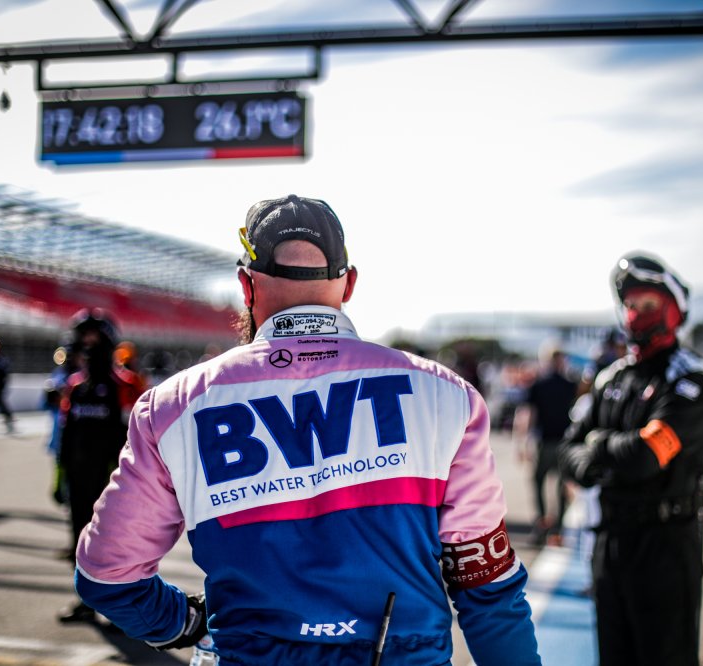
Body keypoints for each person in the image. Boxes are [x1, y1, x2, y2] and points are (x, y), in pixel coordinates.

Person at [73, 194, 541, 664]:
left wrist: (184, 622)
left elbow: (107, 576)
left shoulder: (173, 406)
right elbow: (488, 588)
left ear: (245, 285)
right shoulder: (445, 395)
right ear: (349, 283)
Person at [557, 253, 703, 666]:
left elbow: (644, 459)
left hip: (665, 547)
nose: (636, 313)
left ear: (673, 309)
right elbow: (567, 450)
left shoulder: (693, 380)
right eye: (630, 304)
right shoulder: (610, 378)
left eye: (648, 303)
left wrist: (598, 446)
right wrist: (603, 454)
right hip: (610, 544)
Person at [55, 308, 144, 624]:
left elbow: (140, 438)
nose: (88, 346)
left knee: (119, 544)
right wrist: (59, 478)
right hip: (79, 479)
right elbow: (65, 436)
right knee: (81, 539)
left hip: (116, 484)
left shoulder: (128, 384)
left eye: (95, 339)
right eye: (84, 339)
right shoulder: (75, 385)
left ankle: (125, 608)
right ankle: (86, 600)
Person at [511, 343, 578, 545]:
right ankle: (557, 529)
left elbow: (527, 415)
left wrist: (521, 442)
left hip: (545, 441)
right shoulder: (570, 384)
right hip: (564, 441)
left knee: (539, 482)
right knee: (560, 486)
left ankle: (542, 524)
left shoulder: (539, 385)